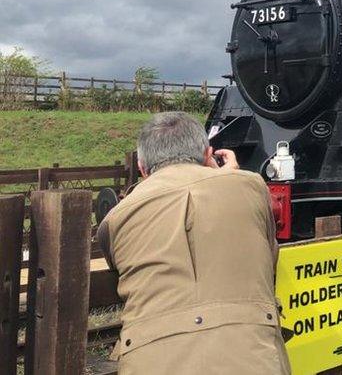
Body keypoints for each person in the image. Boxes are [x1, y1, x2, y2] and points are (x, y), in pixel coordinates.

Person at [96, 112, 291, 374]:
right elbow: (270, 255)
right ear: (208, 154)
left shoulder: (115, 219)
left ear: (142, 169)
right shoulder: (252, 186)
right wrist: (230, 176)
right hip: (253, 358)